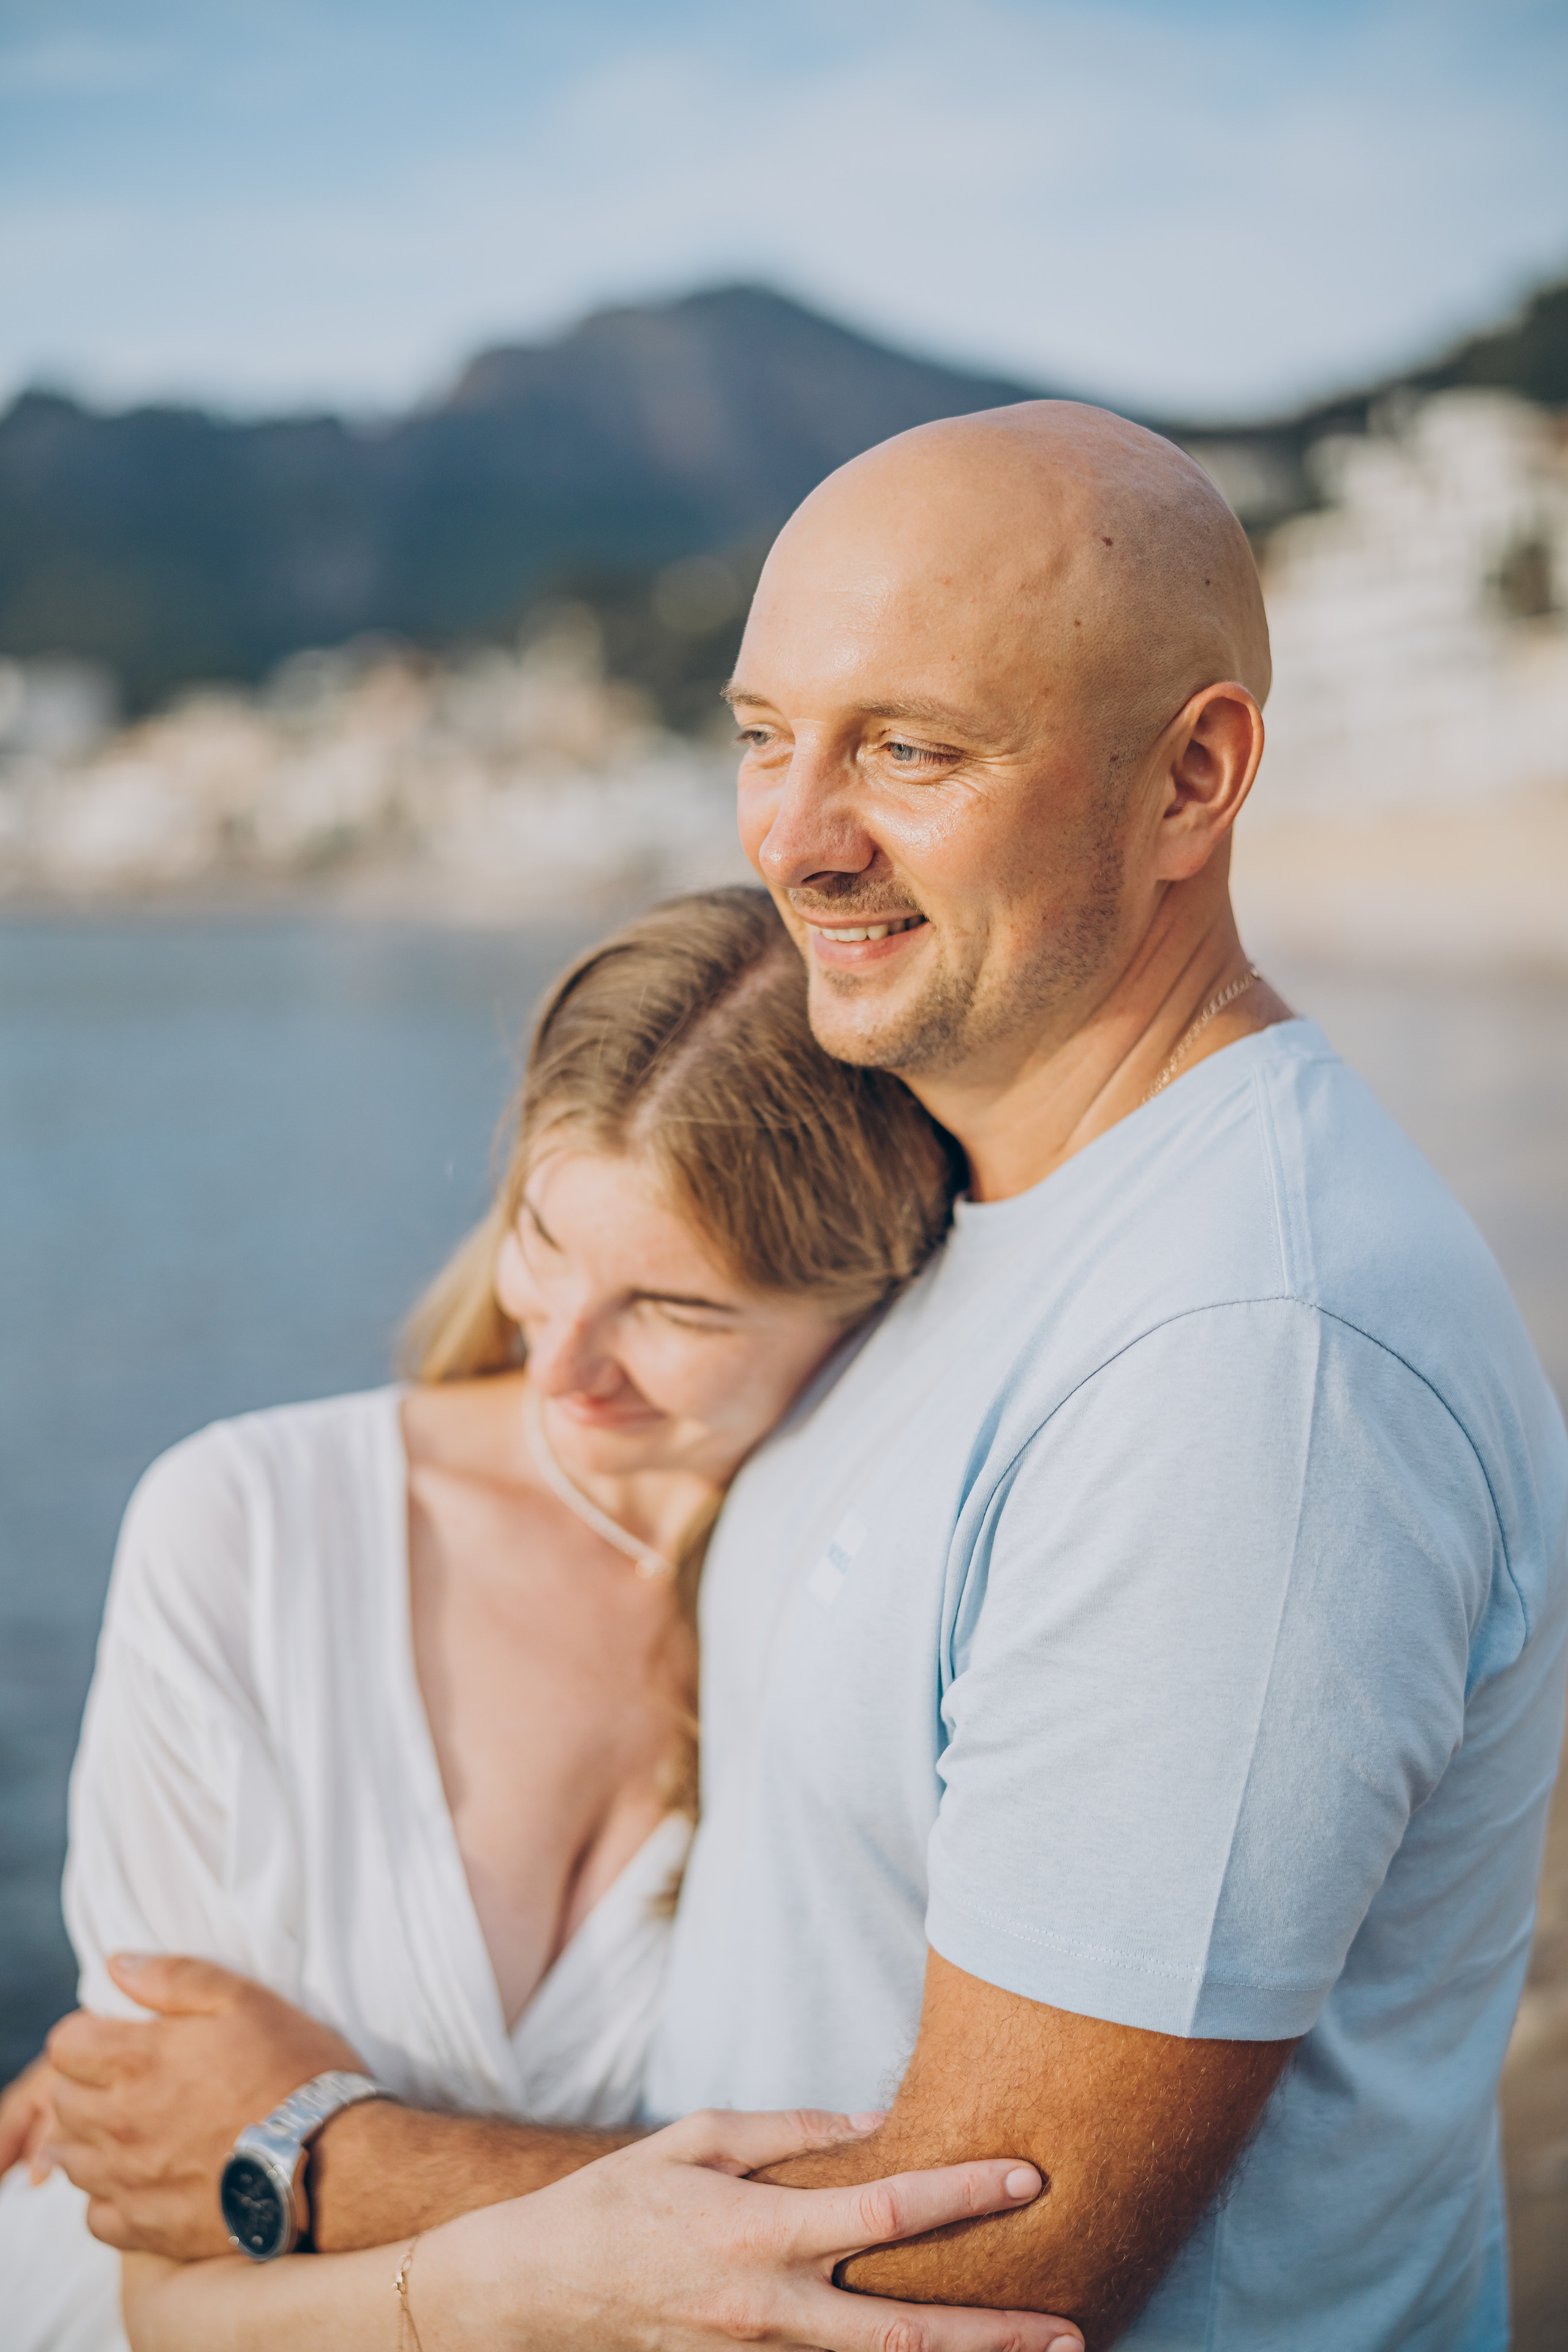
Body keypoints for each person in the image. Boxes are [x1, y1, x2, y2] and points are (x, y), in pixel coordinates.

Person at [32, 401, 1568, 2351]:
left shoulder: (1245, 1363)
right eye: (766, 736)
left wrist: (319, 2150)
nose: (795, 836)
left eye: (912, 751)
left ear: (1194, 779)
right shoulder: (989, 1211)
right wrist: (123, 2101)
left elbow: (997, 2262)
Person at [0, 887, 1079, 2352]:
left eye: (677, 1310)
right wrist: (512, 2279)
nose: (560, 1357)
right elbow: (163, 2273)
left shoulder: (884, 1605)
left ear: (871, 1296)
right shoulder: (245, 1527)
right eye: (539, 1239)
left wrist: (344, 2164)